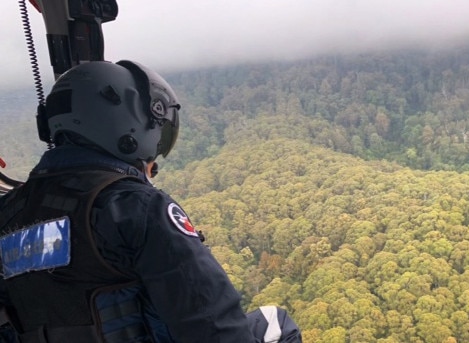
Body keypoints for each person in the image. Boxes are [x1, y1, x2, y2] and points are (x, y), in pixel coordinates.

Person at [0, 60, 301, 343]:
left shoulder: (9, 212)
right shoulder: (135, 207)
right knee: (276, 323)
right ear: (129, 122)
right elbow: (213, 324)